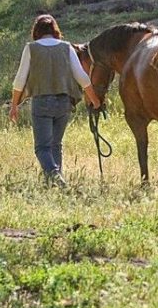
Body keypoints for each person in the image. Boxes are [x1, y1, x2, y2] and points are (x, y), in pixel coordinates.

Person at [9, 14, 102, 185]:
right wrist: (95, 100)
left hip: (42, 102)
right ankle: (55, 184)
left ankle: (56, 178)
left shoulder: (31, 48)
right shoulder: (66, 47)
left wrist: (14, 105)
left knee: (42, 148)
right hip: (64, 103)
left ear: (36, 31)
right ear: (55, 30)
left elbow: (19, 80)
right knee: (56, 145)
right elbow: (82, 77)